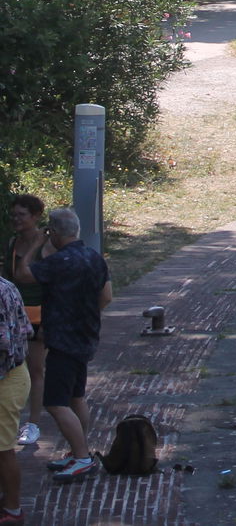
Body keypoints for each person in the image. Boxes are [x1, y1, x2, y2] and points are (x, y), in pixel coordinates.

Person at [15, 208, 111, 481]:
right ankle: (79, 450)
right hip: (86, 337)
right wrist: (85, 316)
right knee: (75, 397)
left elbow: (22, 275)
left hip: (62, 341)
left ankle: (82, 458)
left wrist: (35, 244)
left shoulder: (59, 261)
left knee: (56, 403)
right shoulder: (94, 257)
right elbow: (107, 296)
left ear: (54, 232)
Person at [3, 197, 48, 446]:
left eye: (22, 215)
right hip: (13, 315)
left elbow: (51, 283)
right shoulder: (12, 242)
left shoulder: (46, 246)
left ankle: (33, 423)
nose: (16, 219)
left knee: (35, 367)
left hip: (38, 313)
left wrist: (49, 319)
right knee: (11, 366)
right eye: (14, 215)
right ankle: (11, 418)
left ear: (36, 216)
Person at [0, 271, 31, 523]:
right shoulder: (7, 286)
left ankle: (13, 509)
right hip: (15, 373)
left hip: (6, 379)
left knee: (3, 450)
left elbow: (3, 345)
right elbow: (26, 328)